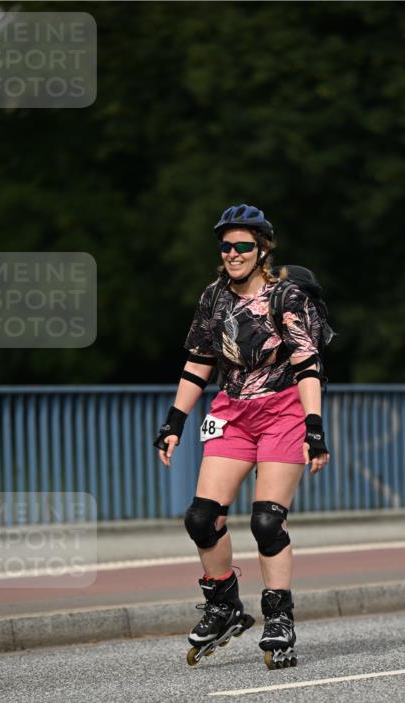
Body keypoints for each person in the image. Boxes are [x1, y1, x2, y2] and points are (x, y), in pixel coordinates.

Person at [154, 204, 330, 668]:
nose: (233, 253)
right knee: (200, 518)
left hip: (284, 413)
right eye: (227, 245)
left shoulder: (288, 297)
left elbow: (307, 364)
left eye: (243, 246)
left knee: (266, 522)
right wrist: (174, 422)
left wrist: (314, 427)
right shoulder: (214, 297)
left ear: (262, 249)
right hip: (232, 413)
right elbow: (198, 363)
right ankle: (224, 605)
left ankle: (279, 616)